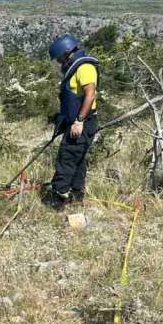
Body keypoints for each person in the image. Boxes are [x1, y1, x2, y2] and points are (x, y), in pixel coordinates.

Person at [46, 34, 99, 208]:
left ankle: (58, 199)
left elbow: (90, 95)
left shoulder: (85, 67)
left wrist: (79, 120)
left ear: (67, 53)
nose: (60, 63)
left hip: (82, 122)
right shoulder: (76, 68)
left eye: (60, 59)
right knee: (78, 159)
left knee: (67, 158)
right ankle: (76, 197)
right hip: (76, 120)